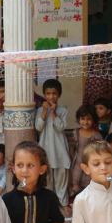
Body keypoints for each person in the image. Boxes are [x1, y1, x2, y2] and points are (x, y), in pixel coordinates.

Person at [36, 79, 71, 214]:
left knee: (61, 176)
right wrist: (45, 111)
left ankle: (63, 202)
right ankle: (49, 203)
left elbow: (61, 128)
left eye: (54, 93)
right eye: (48, 93)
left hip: (60, 148)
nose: (51, 97)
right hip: (45, 147)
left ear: (59, 95)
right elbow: (38, 127)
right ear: (44, 94)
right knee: (47, 178)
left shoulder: (62, 111)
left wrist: (54, 113)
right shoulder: (40, 110)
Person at [70, 105, 103, 197]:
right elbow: (68, 144)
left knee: (89, 186)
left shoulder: (96, 136)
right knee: (76, 185)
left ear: (93, 120)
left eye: (89, 119)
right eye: (83, 119)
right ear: (79, 119)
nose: (85, 122)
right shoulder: (76, 132)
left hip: (90, 165)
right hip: (77, 164)